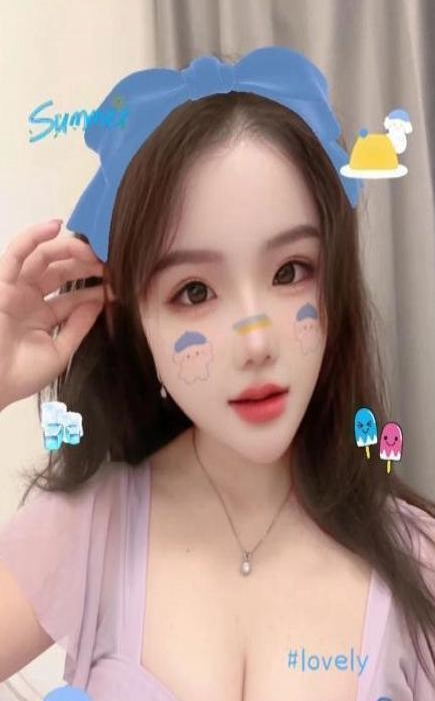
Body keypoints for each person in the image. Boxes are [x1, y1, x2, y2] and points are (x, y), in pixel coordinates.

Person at [0, 47, 434, 701]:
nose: (255, 343)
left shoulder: (418, 562)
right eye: (195, 291)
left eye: (289, 272)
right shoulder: (87, 530)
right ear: (133, 317)